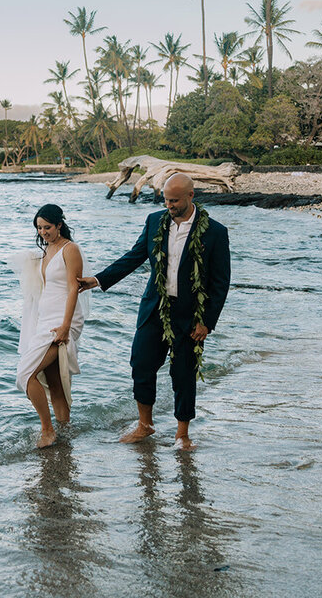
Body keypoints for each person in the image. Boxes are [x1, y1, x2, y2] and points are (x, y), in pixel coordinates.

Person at [77, 173, 229, 451]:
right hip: (154, 309)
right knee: (141, 364)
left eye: (174, 201)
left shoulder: (215, 232)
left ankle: (182, 434)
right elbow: (133, 257)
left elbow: (220, 282)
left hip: (189, 315)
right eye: (166, 200)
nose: (169, 205)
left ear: (190, 196)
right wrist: (97, 280)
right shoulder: (154, 222)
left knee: (184, 373)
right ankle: (145, 424)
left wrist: (206, 321)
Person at [11, 204, 87, 449]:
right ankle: (66, 432)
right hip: (45, 319)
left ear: (59, 225)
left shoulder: (70, 249)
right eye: (39, 228)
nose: (43, 232)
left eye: (47, 227)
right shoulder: (46, 250)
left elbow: (74, 287)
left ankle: (48, 430)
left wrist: (66, 326)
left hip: (62, 320)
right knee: (54, 381)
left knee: (25, 374)